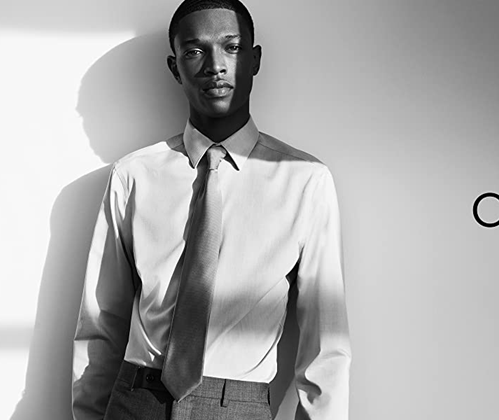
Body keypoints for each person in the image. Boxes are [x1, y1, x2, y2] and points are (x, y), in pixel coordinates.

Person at [71, 1, 351, 419]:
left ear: (255, 60)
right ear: (175, 67)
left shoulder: (305, 181)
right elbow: (101, 322)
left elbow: (325, 344)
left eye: (232, 47)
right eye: (194, 51)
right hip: (135, 399)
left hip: (238, 405)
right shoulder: (133, 175)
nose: (215, 66)